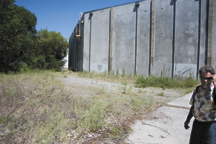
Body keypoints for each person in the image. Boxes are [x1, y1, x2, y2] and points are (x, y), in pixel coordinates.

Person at [184, 65, 216, 144]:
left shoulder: (214, 90)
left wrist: (215, 84)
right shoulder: (198, 89)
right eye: (203, 78)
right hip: (197, 125)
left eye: (208, 78)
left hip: (210, 126)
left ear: (212, 78)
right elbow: (193, 106)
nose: (205, 80)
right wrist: (187, 120)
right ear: (200, 78)